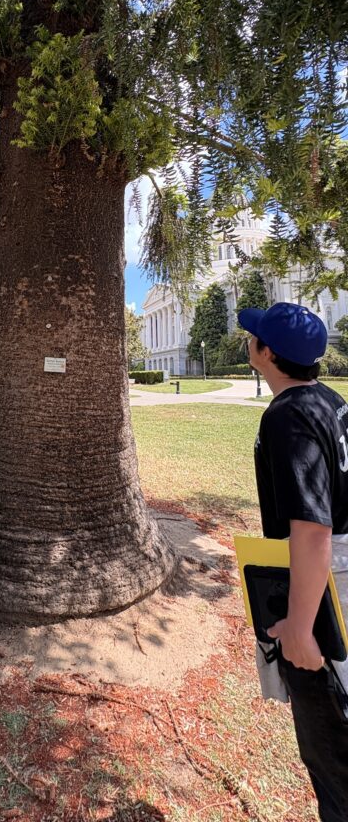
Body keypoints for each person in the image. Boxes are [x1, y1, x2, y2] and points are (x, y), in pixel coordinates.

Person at [238, 301, 348, 821]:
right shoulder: (331, 401)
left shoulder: (287, 416)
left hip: (326, 596)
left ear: (268, 353)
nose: (249, 341)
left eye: (254, 336)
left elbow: (312, 529)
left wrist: (302, 630)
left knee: (331, 752)